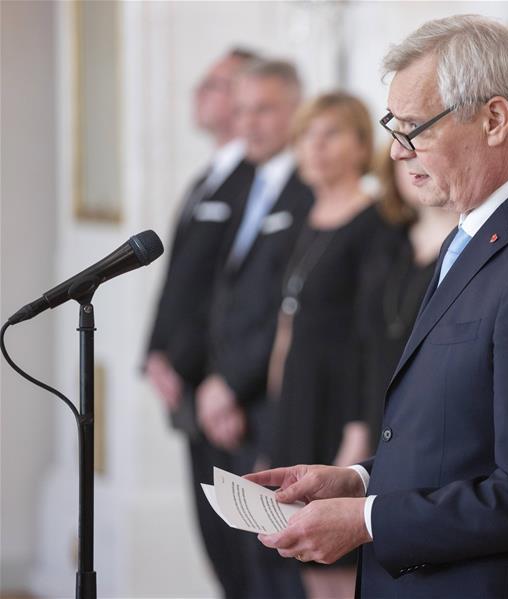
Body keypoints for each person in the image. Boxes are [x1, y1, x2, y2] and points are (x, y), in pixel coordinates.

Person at [248, 15, 508, 598]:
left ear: (495, 119)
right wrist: (358, 483)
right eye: (393, 126)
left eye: (414, 128)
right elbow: (462, 440)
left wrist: (367, 521)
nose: (396, 151)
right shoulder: (490, 222)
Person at [263, 92, 387, 599]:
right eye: (306, 136)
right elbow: (288, 321)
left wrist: (358, 434)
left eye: (330, 133)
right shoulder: (305, 219)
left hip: (340, 408)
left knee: (336, 566)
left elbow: (372, 338)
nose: (315, 147)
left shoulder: (376, 223)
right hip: (298, 400)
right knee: (301, 560)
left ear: (361, 145)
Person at [144, 48, 258, 599]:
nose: (201, 92)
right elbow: (180, 278)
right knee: (215, 540)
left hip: (225, 388)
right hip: (188, 381)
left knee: (245, 549)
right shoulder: (207, 178)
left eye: (217, 83)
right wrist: (156, 352)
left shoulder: (255, 180)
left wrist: (221, 376)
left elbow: (234, 292)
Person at [198, 58, 313, 598]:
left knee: (276, 569)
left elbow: (285, 309)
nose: (248, 123)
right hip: (225, 404)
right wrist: (212, 378)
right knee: (237, 567)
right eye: (241, 110)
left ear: (296, 110)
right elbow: (223, 295)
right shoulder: (246, 184)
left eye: (263, 110)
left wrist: (231, 382)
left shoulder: (309, 189)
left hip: (271, 404)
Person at [357, 145, 458, 453]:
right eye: (402, 161)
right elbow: (361, 341)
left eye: (420, 153)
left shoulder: (471, 245)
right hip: (376, 412)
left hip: (436, 426)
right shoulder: (385, 240)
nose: (412, 166)